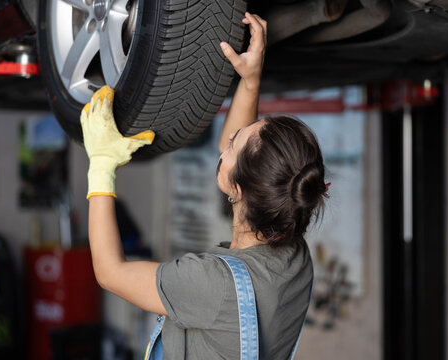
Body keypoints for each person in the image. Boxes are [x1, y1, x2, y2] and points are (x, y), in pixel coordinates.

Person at [81, 12, 328, 360]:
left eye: (231, 148)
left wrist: (101, 166)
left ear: (238, 191)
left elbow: (111, 272)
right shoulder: (293, 256)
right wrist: (250, 80)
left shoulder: (210, 283)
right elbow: (239, 158)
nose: (224, 145)